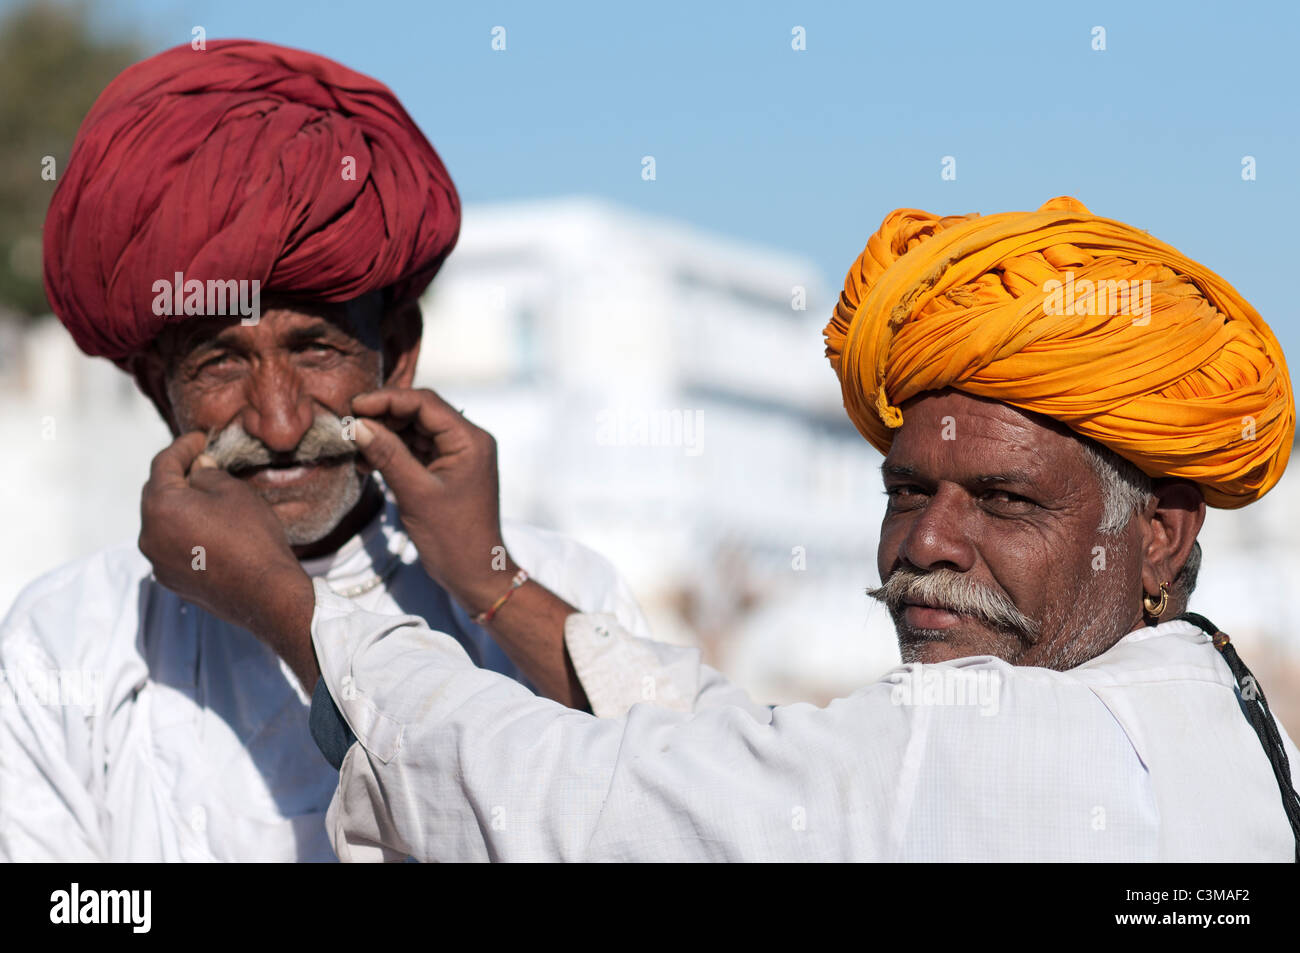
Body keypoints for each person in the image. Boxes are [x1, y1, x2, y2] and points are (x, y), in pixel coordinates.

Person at [122, 196, 1300, 861]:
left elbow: (550, 801)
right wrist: (488, 581)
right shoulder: (1183, 707)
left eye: (1003, 500)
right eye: (904, 491)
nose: (926, 544)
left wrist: (288, 603)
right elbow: (754, 759)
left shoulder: (1016, 757)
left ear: (1157, 536)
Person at [0, 40, 648, 862]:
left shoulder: (557, 602)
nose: (276, 423)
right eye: (221, 361)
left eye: (316, 351)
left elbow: (661, 816)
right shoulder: (65, 641)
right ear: (154, 385)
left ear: (398, 353)